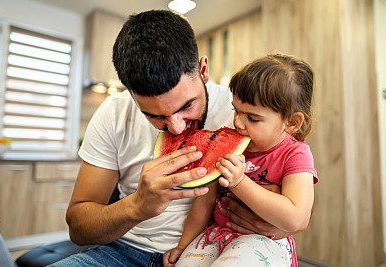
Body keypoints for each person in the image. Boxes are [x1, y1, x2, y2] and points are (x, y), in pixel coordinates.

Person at [50, 10, 293, 267]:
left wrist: (279, 224)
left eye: (187, 105)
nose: (176, 129)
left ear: (203, 69)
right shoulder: (113, 113)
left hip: (214, 251)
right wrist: (136, 206)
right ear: (132, 96)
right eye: (154, 116)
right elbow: (78, 229)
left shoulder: (244, 114)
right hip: (121, 252)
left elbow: (291, 194)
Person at [163, 53, 319, 267]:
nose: (238, 123)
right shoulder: (231, 143)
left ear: (291, 122)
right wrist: (183, 246)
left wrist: (239, 182)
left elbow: (297, 218)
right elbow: (204, 203)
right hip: (214, 235)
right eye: (236, 111)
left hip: (263, 242)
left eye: (253, 118)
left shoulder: (295, 154)